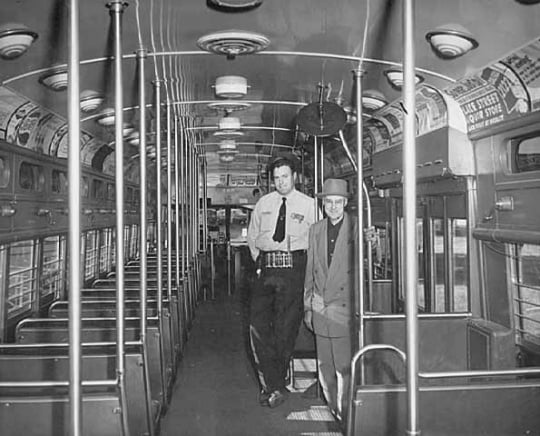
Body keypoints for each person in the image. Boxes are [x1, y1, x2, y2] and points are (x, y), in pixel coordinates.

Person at [246, 156, 318, 408]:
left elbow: (316, 241)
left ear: (295, 177)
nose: (280, 182)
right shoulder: (264, 203)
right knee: (257, 327)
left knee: (285, 329)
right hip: (266, 270)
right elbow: (253, 237)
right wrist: (261, 264)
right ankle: (271, 384)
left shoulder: (309, 205)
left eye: (285, 176)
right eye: (276, 178)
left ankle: (274, 385)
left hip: (294, 270)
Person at [303, 178, 356, 425]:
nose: (333, 207)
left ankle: (346, 415)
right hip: (320, 308)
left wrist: (371, 241)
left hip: (343, 309)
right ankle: (335, 408)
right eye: (329, 202)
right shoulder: (315, 230)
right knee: (325, 367)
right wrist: (307, 306)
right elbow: (310, 270)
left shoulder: (356, 228)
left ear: (345, 203)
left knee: (343, 367)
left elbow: (365, 261)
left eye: (338, 202)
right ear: (323, 204)